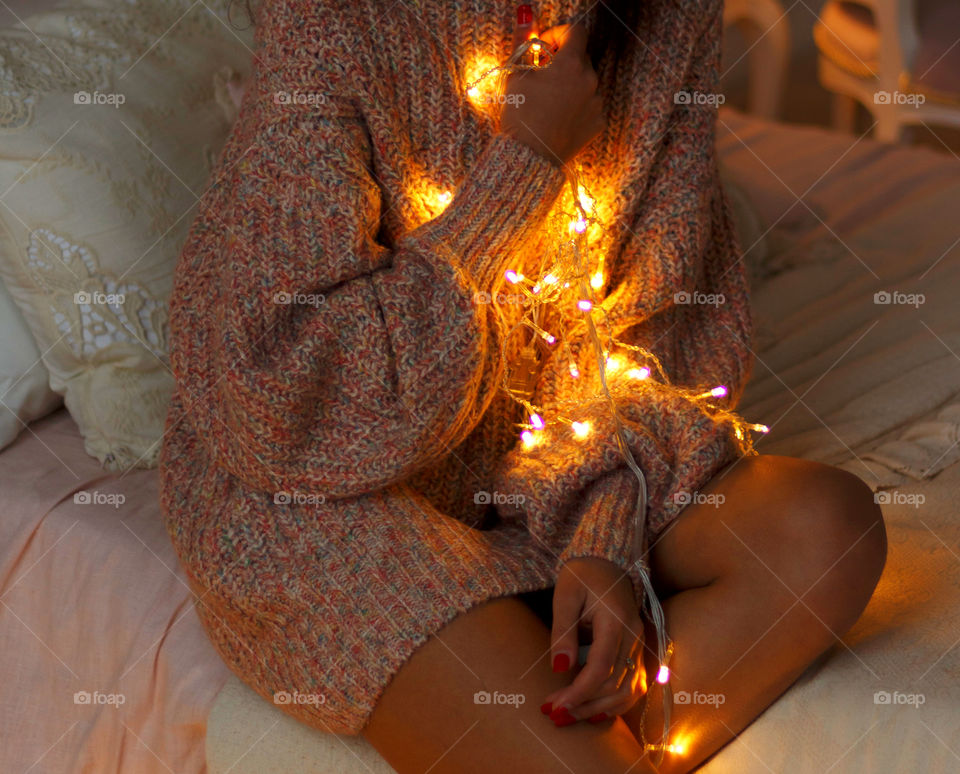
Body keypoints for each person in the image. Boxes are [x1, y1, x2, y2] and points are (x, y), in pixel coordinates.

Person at [158, 1, 888, 772]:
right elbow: (284, 394)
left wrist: (603, 532)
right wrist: (526, 163)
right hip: (326, 489)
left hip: (550, 460)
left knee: (825, 527)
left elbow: (655, 323)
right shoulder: (330, 22)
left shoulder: (668, 16)